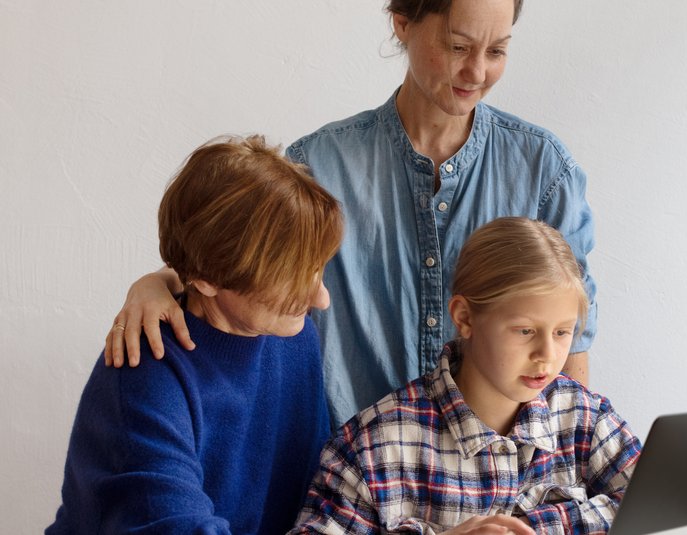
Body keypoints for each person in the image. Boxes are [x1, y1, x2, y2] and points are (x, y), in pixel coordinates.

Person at [104, 0, 597, 429]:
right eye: (458, 47)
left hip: (497, 478)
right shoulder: (319, 164)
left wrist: (564, 473)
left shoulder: (542, 170)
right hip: (348, 484)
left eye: (497, 51)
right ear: (402, 23)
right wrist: (158, 282)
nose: (477, 72)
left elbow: (571, 339)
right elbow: (240, 264)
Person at [47, 136, 344, 534]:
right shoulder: (141, 374)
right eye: (288, 277)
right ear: (206, 280)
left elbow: (317, 493)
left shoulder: (293, 335)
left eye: (315, 267)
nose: (320, 297)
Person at [291, 218, 640, 534]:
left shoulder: (585, 416)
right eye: (524, 331)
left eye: (563, 333)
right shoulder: (370, 449)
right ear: (465, 318)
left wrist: (530, 528)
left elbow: (658, 504)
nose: (547, 355)